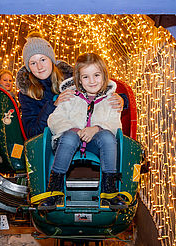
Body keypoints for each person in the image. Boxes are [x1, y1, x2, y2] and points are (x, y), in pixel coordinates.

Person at [39, 53, 127, 211]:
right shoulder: (71, 97)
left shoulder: (110, 100)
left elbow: (115, 123)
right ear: (79, 80)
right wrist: (74, 129)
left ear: (104, 76)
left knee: (107, 137)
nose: (92, 81)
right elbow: (54, 120)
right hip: (69, 141)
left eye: (96, 75)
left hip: (96, 144)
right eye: (86, 77)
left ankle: (110, 190)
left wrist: (96, 128)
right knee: (69, 137)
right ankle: (54, 189)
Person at [16, 32, 128, 139]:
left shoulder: (70, 78)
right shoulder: (27, 93)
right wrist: (53, 105)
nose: (39, 67)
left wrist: (121, 100)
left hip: (87, 133)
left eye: (43, 59)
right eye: (33, 63)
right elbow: (32, 132)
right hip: (55, 141)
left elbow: (97, 89)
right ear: (28, 67)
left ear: (51, 59)